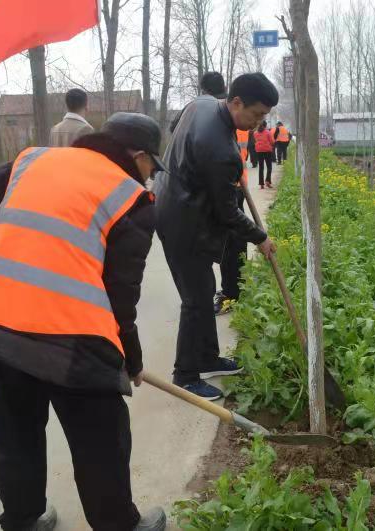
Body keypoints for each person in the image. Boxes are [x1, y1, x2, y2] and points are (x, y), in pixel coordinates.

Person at [0, 113, 168, 531]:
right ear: (139, 156)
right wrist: (129, 359)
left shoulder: (33, 161)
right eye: (152, 166)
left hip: (0, 323)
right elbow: (120, 298)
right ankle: (117, 525)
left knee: (16, 428)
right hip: (72, 338)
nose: (150, 176)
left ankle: (22, 520)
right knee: (101, 436)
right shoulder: (131, 198)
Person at [153, 72, 279, 400]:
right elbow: (227, 214)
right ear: (236, 102)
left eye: (263, 117)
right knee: (196, 299)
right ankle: (185, 375)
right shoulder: (220, 149)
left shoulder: (202, 104)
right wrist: (260, 237)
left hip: (174, 203)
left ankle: (207, 358)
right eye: (256, 115)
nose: (257, 123)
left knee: (205, 289)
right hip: (182, 220)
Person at [215, 129, 250, 315]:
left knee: (231, 246)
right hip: (235, 185)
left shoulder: (226, 124)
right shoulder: (229, 124)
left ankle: (232, 294)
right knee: (233, 243)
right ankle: (235, 289)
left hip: (230, 187)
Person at [253, 121, 275, 189]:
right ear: (265, 125)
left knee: (261, 167)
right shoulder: (268, 132)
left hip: (259, 151)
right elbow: (272, 141)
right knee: (269, 167)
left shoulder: (255, 133)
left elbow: (255, 140)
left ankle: (261, 184)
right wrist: (272, 145)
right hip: (267, 150)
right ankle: (268, 181)